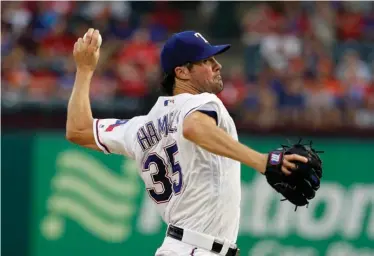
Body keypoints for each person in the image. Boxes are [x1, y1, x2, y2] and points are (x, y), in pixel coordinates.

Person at [66, 28, 308, 256]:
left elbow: (78, 130)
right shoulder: (201, 102)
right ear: (181, 72)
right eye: (207, 61)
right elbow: (194, 128)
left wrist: (84, 71)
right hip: (195, 249)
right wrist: (262, 161)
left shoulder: (140, 126)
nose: (217, 65)